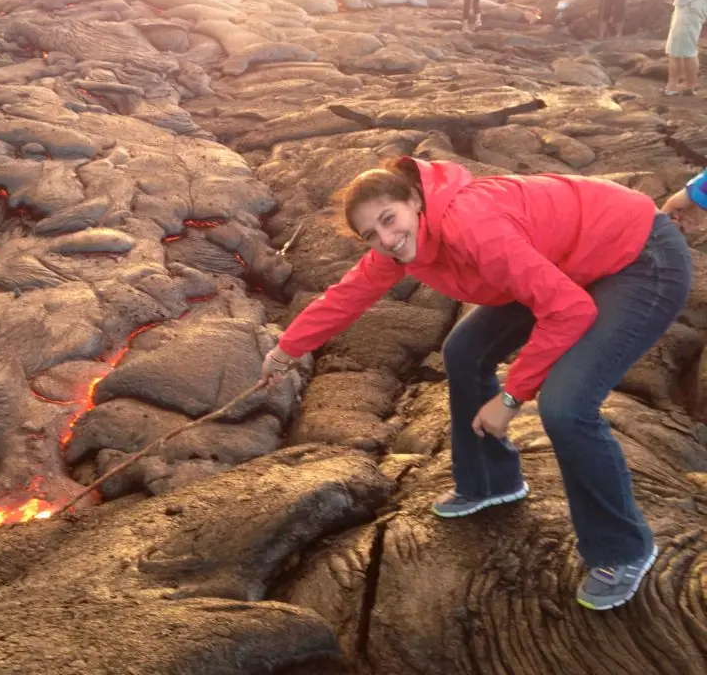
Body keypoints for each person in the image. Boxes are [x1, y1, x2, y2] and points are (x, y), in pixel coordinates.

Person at [260, 156, 692, 611]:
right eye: (372, 235)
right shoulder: (401, 247)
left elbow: (569, 310)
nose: (386, 239)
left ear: (415, 201)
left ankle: (623, 549)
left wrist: (510, 397)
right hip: (567, 263)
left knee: (566, 407)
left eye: (390, 220)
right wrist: (284, 352)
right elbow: (346, 295)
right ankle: (489, 480)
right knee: (464, 351)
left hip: (641, 259)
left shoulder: (471, 225)